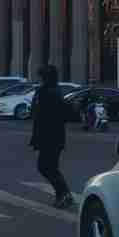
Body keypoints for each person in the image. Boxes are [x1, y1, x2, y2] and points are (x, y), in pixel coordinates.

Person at [31, 65, 76, 210]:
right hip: (51, 136)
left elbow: (46, 115)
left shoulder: (49, 93)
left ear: (46, 78)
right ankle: (62, 194)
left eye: (41, 77)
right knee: (48, 167)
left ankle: (64, 194)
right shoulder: (50, 91)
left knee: (46, 167)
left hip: (51, 136)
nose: (39, 79)